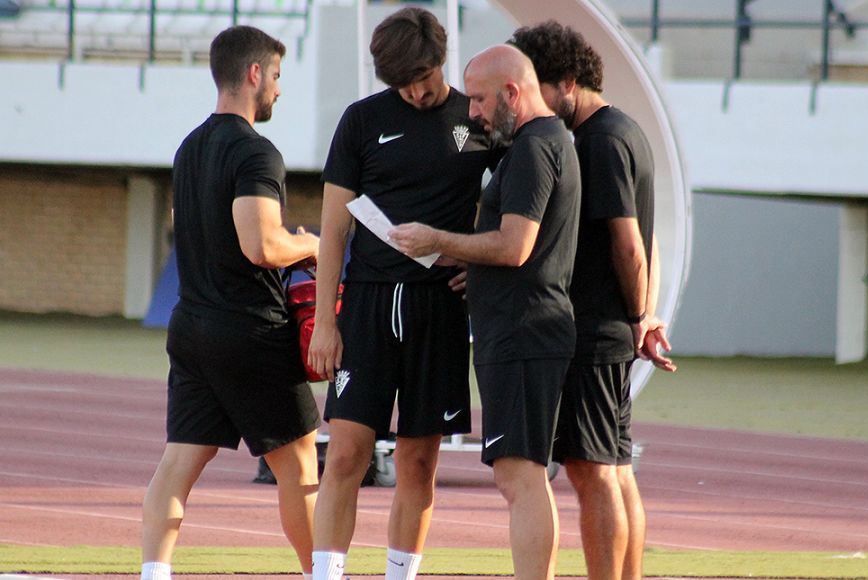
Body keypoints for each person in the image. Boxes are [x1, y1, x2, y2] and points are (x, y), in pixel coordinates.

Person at [306, 8, 500, 580]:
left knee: (419, 461)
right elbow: (333, 230)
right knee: (346, 454)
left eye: (424, 77)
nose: (415, 92)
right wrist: (324, 321)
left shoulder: (474, 120)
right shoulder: (362, 121)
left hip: (437, 308)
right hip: (366, 305)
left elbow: (516, 210)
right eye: (402, 83)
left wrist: (476, 260)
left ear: (441, 59)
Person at [391, 44, 581, 580]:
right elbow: (509, 244)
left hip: (524, 332)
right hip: (523, 329)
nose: (470, 111)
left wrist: (436, 239)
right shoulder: (540, 141)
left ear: (512, 94)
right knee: (518, 476)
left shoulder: (531, 148)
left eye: (478, 100)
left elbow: (515, 246)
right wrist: (464, 256)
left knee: (520, 477)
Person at [141, 25, 321, 580]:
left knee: (178, 462)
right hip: (248, 330)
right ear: (253, 73)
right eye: (277, 76)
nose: (279, 89)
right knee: (300, 467)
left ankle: (154, 573)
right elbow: (263, 245)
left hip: (190, 324)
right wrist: (312, 245)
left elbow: (186, 226)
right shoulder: (255, 151)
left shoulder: (189, 147)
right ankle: (324, 572)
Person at [510, 21, 677, 580]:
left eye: (537, 86)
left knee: (592, 471)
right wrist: (646, 316)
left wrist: (636, 318)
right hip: (612, 326)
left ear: (567, 81)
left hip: (596, 329)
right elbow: (648, 241)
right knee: (614, 469)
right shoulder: (623, 130)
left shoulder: (600, 140)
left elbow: (630, 241)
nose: (531, 100)